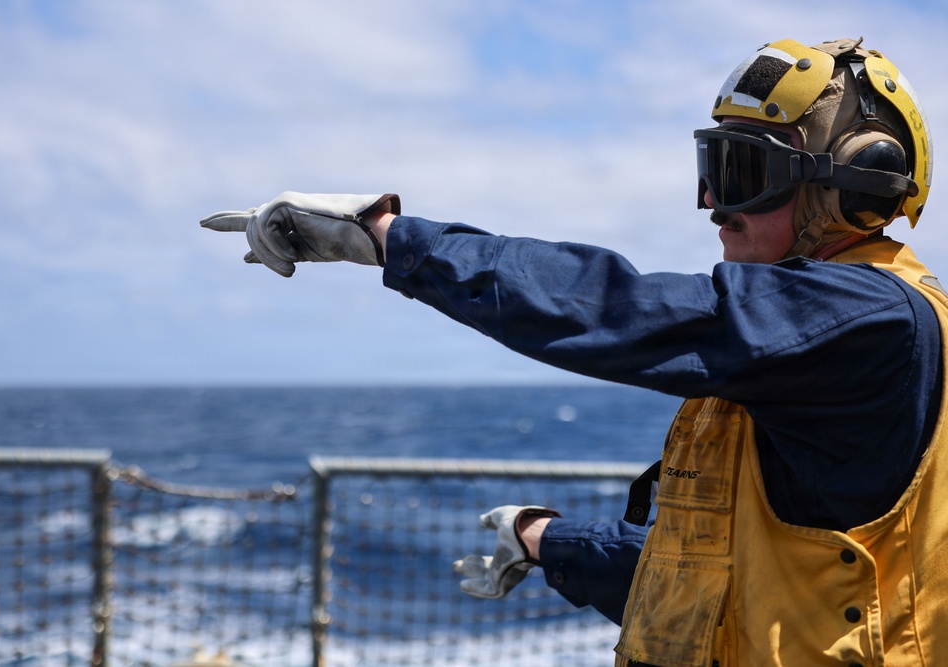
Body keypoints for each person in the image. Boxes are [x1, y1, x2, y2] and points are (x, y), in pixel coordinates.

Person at [201, 38, 946, 666]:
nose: (715, 207)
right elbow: (720, 584)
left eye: (744, 176)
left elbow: (617, 306)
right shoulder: (793, 351)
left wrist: (391, 239)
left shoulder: (871, 323)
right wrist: (548, 539)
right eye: (713, 172)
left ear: (855, 185)